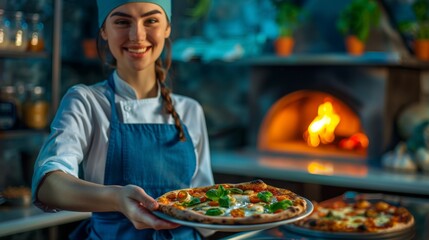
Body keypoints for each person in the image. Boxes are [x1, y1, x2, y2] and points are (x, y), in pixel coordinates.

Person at [31, 0, 214, 239]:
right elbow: (48, 185)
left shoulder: (190, 110)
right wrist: (116, 199)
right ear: (104, 30)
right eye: (122, 21)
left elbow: (205, 208)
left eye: (151, 21)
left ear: (167, 28)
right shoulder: (86, 101)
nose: (137, 35)